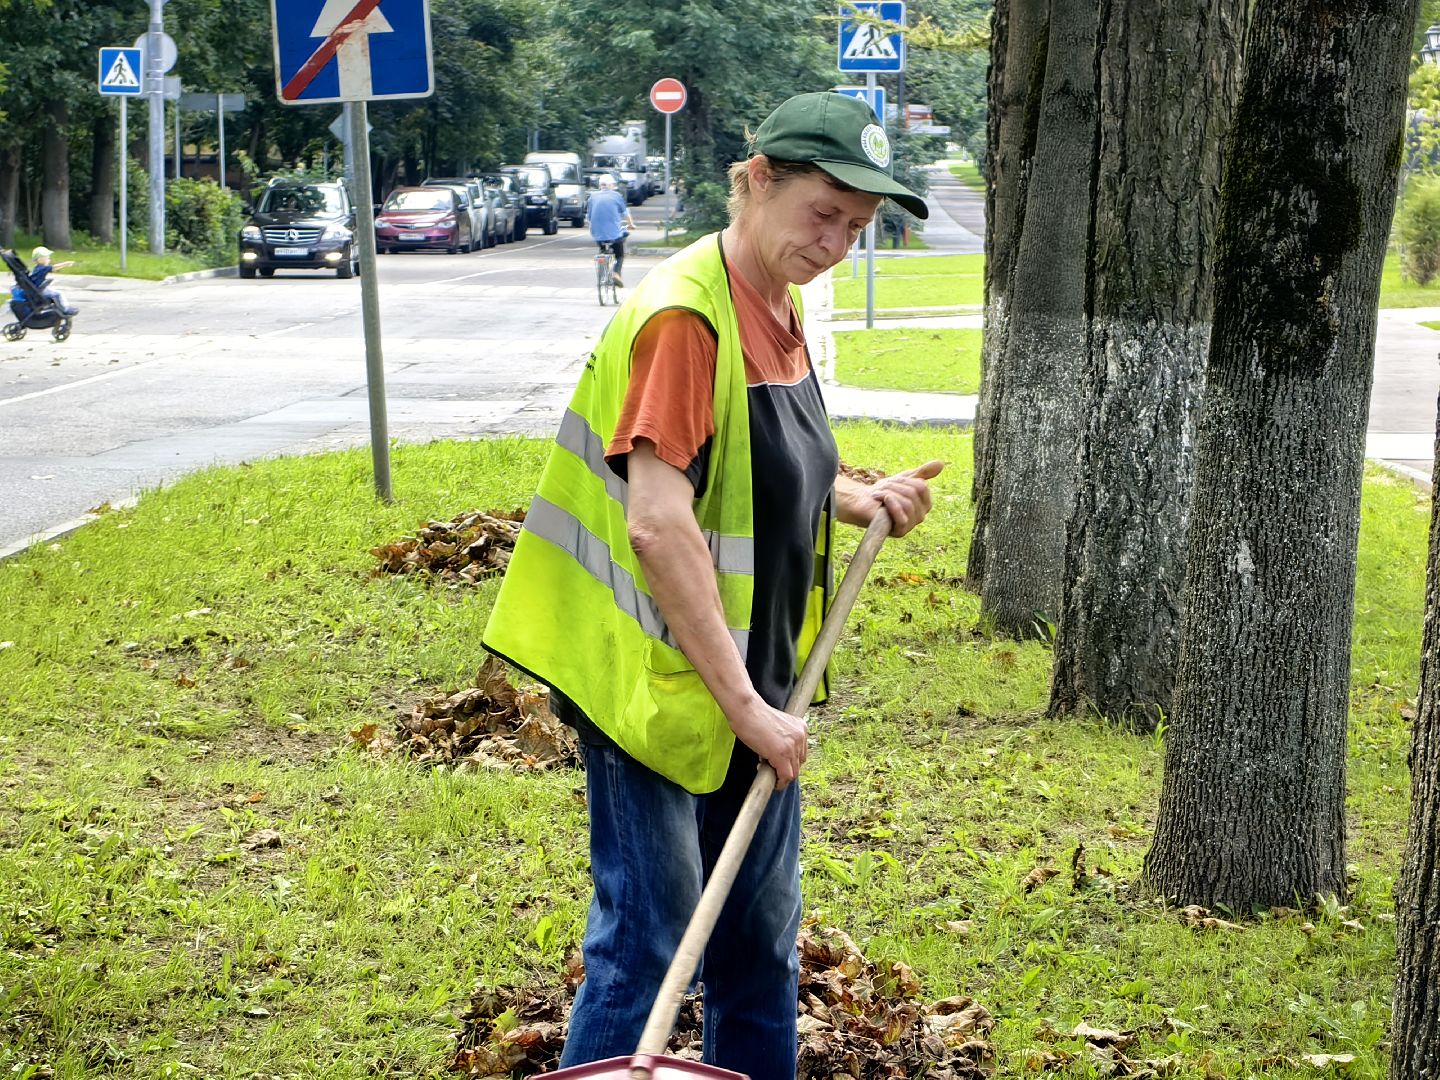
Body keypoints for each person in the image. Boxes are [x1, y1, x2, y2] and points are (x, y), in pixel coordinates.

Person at [483, 91, 942, 1079]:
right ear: (757, 180)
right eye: (823, 214)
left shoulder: (778, 304)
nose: (834, 245)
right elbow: (657, 522)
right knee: (648, 950)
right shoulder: (687, 319)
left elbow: (756, 469)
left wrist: (859, 498)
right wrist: (745, 709)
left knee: (755, 952)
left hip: (755, 687)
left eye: (857, 231)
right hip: (658, 688)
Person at [587, 173, 634, 287]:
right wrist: (631, 224)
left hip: (597, 234)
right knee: (620, 254)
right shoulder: (616, 196)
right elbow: (625, 213)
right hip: (614, 235)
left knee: (603, 249)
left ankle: (603, 273)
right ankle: (616, 274)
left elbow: (589, 217)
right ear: (610, 185)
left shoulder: (592, 196)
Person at [29, 247, 78, 317]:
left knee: (55, 292)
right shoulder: (43, 268)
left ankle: (61, 308)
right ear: (39, 259)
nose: (49, 258)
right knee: (58, 294)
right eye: (46, 257)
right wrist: (66, 264)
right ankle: (65, 309)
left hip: (38, 288)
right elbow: (54, 267)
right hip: (40, 290)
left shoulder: (38, 268)